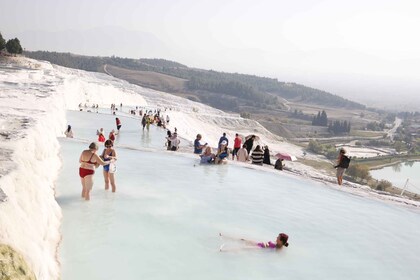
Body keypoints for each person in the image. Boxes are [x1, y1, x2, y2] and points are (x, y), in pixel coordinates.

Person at [219, 233, 289, 251]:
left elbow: (269, 249)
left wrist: (266, 245)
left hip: (259, 247)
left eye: (278, 238)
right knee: (243, 239)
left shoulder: (278, 248)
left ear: (281, 241)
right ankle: (224, 236)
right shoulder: (277, 243)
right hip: (259, 244)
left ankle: (223, 250)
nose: (276, 237)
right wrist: (266, 244)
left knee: (243, 248)